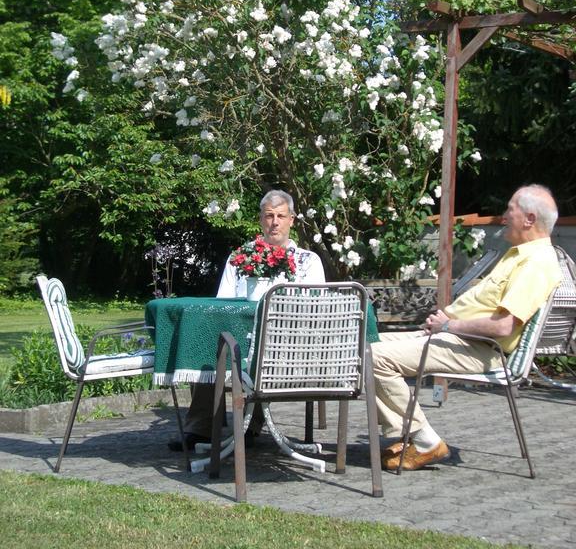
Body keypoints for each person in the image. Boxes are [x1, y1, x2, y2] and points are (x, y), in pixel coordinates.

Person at [372, 184, 561, 471]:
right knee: (362, 348)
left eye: (510, 209)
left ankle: (424, 441)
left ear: (530, 219)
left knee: (374, 358)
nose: (503, 216)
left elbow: (504, 326)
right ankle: (412, 434)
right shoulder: (519, 254)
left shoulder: (536, 263)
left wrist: (449, 324)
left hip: (479, 347)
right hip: (460, 339)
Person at [168, 189, 326, 451]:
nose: (274, 222)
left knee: (255, 350)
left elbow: (318, 309)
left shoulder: (308, 261)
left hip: (292, 345)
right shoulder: (240, 258)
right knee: (209, 346)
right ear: (261, 220)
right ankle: (201, 427)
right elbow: (221, 305)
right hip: (240, 340)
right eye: (269, 216)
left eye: (280, 216)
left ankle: (252, 425)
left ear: (292, 221)